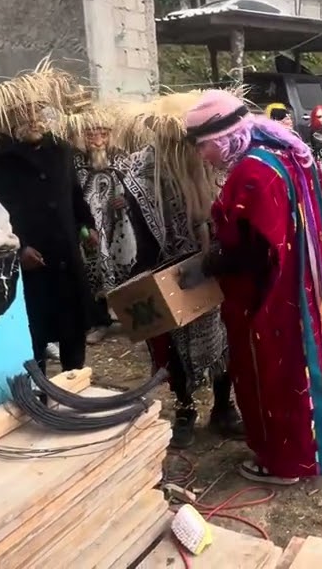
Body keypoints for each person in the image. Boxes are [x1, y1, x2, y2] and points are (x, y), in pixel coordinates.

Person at [184, 90, 322, 485]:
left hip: (271, 296)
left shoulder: (252, 173)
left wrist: (210, 263)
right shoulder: (285, 154)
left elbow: (257, 250)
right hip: (302, 286)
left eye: (203, 146)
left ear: (223, 137)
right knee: (304, 368)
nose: (202, 156)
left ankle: (283, 461)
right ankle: (314, 448)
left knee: (275, 373)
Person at [114, 94, 244, 448]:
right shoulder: (140, 174)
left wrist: (217, 253)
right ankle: (185, 409)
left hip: (214, 266)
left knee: (225, 339)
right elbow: (135, 229)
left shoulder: (215, 165)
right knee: (172, 347)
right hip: (165, 269)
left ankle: (223, 407)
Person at [0, 66, 96, 373]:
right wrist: (17, 250)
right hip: (19, 270)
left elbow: (74, 196)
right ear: (3, 118)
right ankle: (35, 398)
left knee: (73, 334)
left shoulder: (60, 150)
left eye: (39, 109)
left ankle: (76, 392)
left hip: (65, 261)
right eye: (24, 112)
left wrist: (87, 226)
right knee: (31, 339)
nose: (34, 118)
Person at [69, 105, 135, 347]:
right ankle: (100, 322)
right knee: (92, 272)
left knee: (126, 269)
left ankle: (133, 319)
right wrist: (84, 228)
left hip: (118, 226)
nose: (97, 141)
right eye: (91, 134)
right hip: (88, 229)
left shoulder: (122, 157)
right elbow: (70, 195)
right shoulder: (74, 161)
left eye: (103, 134)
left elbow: (137, 189)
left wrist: (126, 199)